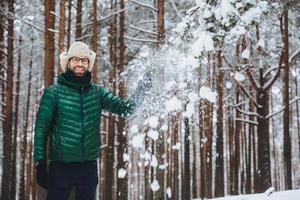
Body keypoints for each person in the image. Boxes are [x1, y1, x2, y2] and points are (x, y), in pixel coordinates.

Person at [34, 41, 152, 200]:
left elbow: (126, 109)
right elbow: (42, 129)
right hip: (61, 166)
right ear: (68, 63)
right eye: (76, 59)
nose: (80, 64)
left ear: (88, 64)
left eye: (84, 60)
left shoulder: (97, 93)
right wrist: (39, 162)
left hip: (87, 167)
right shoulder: (53, 93)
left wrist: (142, 88)